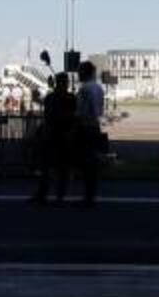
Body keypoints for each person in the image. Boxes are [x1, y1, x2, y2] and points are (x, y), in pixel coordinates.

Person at [29, 72, 76, 203]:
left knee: (46, 167)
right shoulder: (70, 97)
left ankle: (42, 195)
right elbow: (72, 117)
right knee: (61, 168)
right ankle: (59, 196)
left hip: (51, 136)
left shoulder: (51, 97)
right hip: (63, 136)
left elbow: (47, 115)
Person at [74, 60, 106, 208]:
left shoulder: (84, 89)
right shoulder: (99, 88)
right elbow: (99, 110)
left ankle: (87, 198)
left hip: (85, 127)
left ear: (84, 73)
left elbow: (81, 111)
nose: (78, 74)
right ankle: (90, 196)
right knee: (91, 162)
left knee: (85, 163)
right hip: (95, 127)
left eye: (80, 72)